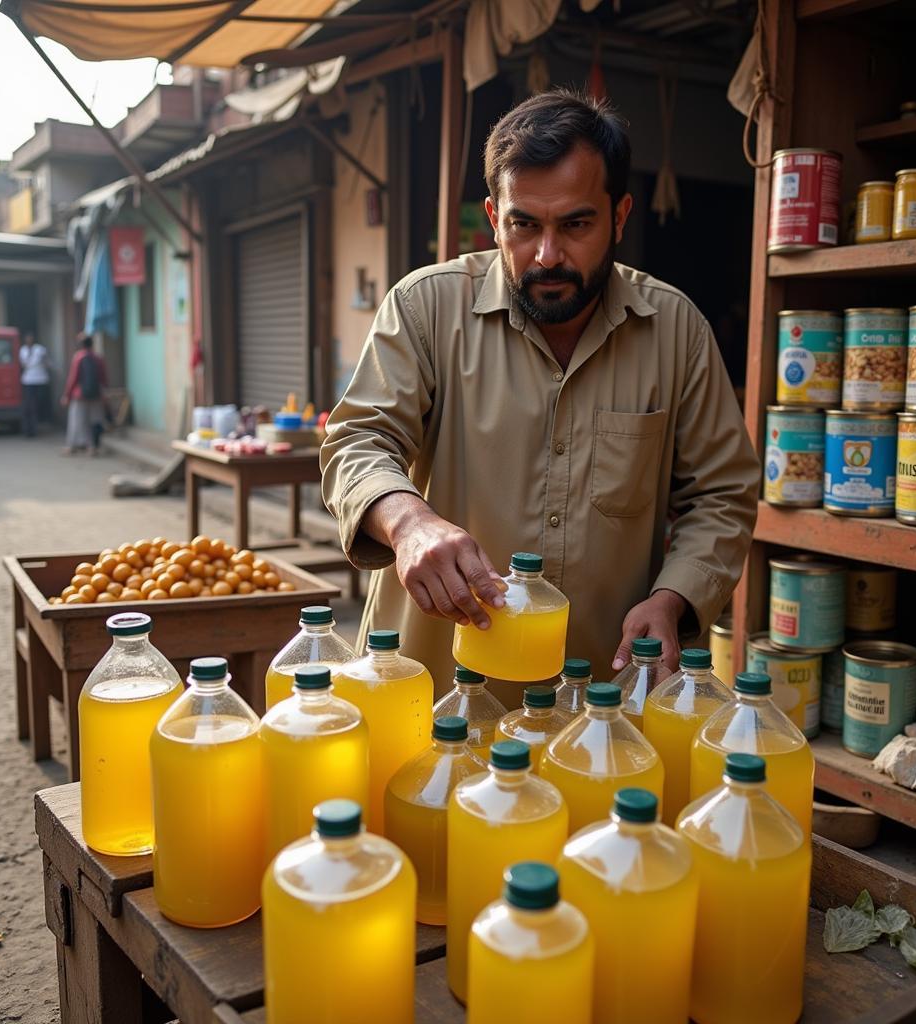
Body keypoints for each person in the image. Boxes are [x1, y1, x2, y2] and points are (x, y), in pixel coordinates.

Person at [321, 90, 760, 694]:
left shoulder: (676, 330)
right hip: (428, 696)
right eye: (525, 225)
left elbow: (723, 493)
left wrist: (674, 598)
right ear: (495, 219)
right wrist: (408, 522)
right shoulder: (424, 307)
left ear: (621, 216)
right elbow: (358, 440)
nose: (548, 255)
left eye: (576, 224)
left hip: (597, 708)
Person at [61, 332, 108, 456]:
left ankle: (71, 446)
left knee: (76, 421)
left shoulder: (78, 357)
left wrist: (67, 395)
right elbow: (103, 378)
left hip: (80, 395)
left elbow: (73, 378)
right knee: (95, 421)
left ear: (81, 345)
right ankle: (92, 447)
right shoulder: (98, 358)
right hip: (96, 395)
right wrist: (103, 392)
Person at [19, 332, 51, 437]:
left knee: (38, 403)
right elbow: (22, 364)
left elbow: (46, 362)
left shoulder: (40, 349)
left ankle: (38, 424)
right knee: (29, 405)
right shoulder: (23, 350)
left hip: (40, 380)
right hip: (28, 380)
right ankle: (30, 429)